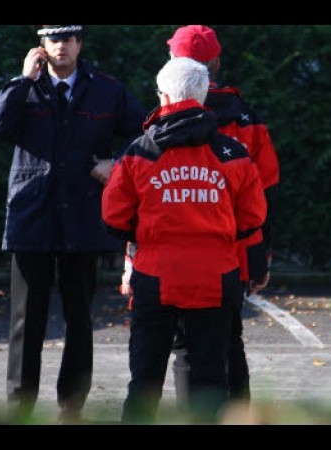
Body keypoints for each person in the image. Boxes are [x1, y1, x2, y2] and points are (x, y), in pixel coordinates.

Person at [0, 25, 145, 422]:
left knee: (79, 320)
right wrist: (23, 80)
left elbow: (146, 134)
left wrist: (118, 164)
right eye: (53, 39)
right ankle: (19, 410)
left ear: (80, 44)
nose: (61, 46)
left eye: (69, 38)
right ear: (42, 45)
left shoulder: (105, 89)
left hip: (84, 219)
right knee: (26, 322)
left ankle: (72, 409)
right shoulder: (25, 86)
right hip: (31, 220)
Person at [102, 57, 268, 423]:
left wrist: (147, 233)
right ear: (204, 97)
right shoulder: (233, 154)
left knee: (144, 380)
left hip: (156, 275)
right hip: (216, 276)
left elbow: (114, 217)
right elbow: (253, 217)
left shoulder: (138, 152)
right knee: (210, 380)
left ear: (162, 97)